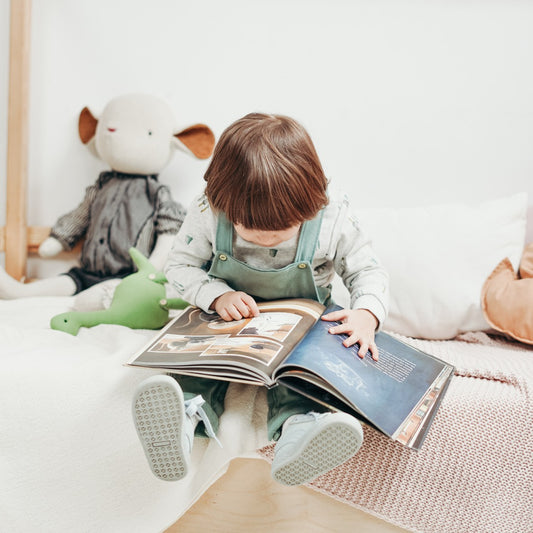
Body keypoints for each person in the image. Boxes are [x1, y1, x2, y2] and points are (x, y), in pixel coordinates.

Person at [132, 112, 389, 486]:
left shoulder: (333, 218)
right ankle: (182, 420)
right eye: (249, 229)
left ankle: (300, 433)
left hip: (304, 328)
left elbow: (368, 270)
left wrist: (366, 314)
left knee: (304, 380)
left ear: (312, 202)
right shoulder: (208, 212)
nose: (266, 239)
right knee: (200, 369)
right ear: (222, 202)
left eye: (282, 230)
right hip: (227, 322)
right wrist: (215, 295)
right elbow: (181, 265)